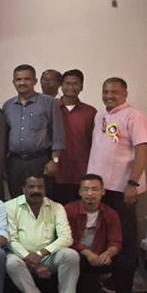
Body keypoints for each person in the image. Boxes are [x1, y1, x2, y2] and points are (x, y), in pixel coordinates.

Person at [87, 77, 146, 293]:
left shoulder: (134, 115)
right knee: (103, 241)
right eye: (105, 91)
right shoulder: (100, 114)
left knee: (126, 245)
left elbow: (142, 150)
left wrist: (132, 183)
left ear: (125, 93)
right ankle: (110, 285)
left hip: (123, 191)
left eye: (114, 91)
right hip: (101, 192)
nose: (109, 95)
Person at [5, 174, 78, 293]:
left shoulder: (56, 207)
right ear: (23, 188)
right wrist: (34, 262)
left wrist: (40, 254)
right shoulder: (10, 207)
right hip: (21, 258)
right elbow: (11, 241)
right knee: (11, 262)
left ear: (45, 189)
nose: (36, 190)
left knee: (71, 255)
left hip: (46, 258)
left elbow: (66, 238)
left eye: (40, 187)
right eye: (31, 187)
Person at [64, 174, 134, 293]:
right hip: (79, 254)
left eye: (95, 189)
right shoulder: (69, 210)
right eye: (86, 189)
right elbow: (67, 239)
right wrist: (88, 253)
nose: (90, 193)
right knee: (74, 259)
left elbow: (116, 241)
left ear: (103, 192)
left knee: (126, 264)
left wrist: (108, 254)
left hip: (101, 255)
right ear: (80, 192)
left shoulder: (110, 213)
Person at [3, 64, 65, 198]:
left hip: (40, 161)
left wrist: (54, 161)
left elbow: (57, 134)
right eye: (18, 79)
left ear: (35, 81)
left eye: (27, 79)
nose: (22, 82)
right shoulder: (8, 106)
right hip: (15, 163)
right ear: (13, 82)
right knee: (16, 200)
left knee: (40, 200)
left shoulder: (48, 102)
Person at [56, 70, 97, 205]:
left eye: (75, 84)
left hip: (81, 170)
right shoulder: (51, 108)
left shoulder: (90, 112)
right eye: (67, 83)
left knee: (79, 210)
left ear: (81, 87)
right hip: (56, 171)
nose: (71, 87)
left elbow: (95, 143)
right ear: (61, 86)